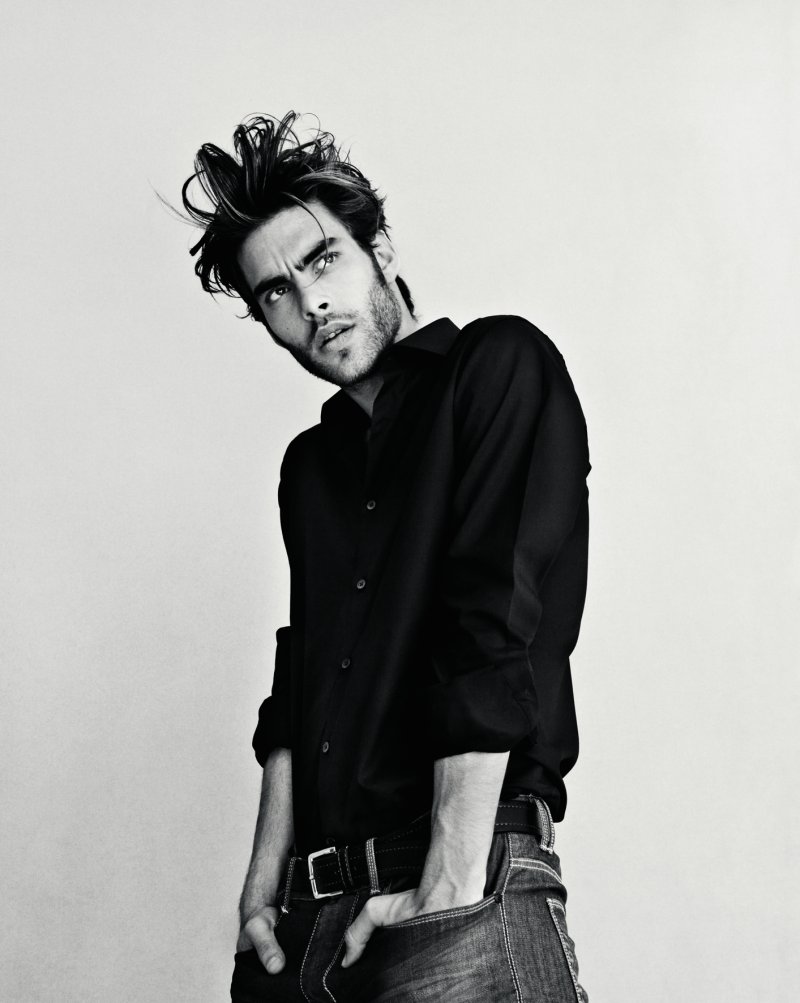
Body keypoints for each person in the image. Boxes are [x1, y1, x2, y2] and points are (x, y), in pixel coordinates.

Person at [180, 111, 591, 1002]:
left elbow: (491, 626)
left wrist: (449, 884)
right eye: (276, 292)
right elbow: (301, 680)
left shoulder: (499, 364)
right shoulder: (309, 470)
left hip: (453, 892)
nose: (310, 303)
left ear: (380, 248)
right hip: (304, 926)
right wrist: (262, 886)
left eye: (322, 259)